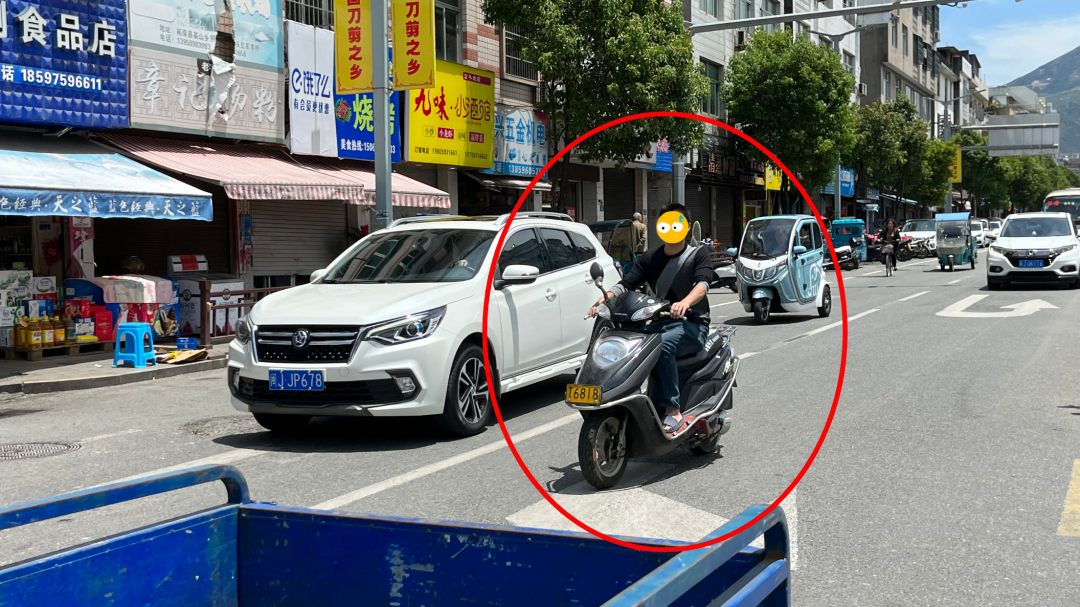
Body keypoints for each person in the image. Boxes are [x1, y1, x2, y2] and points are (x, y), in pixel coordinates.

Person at [589, 203, 713, 435]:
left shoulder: (698, 255)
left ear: (686, 228)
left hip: (692, 325)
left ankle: (673, 411)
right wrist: (603, 300)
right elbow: (627, 283)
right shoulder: (650, 257)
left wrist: (685, 302)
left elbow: (703, 284)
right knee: (626, 346)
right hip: (660, 324)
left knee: (662, 346)